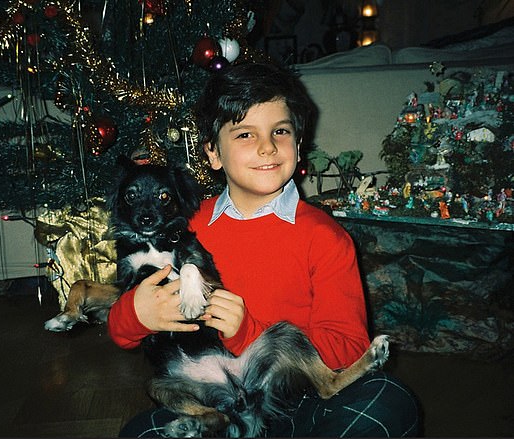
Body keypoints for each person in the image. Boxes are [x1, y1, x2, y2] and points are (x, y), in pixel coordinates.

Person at [107, 62, 421, 437]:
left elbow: (350, 347)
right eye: (244, 135)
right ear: (213, 153)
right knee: (140, 432)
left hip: (304, 399)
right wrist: (136, 313)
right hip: (214, 398)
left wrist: (251, 335)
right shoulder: (181, 226)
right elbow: (123, 331)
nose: (267, 146)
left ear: (299, 145)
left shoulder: (325, 237)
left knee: (388, 401)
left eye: (281, 131)